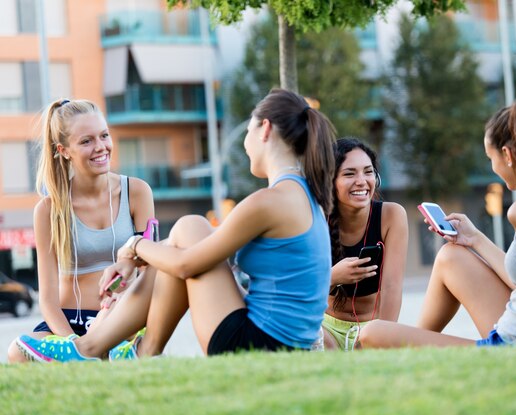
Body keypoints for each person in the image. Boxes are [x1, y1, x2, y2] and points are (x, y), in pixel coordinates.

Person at [16, 88, 336, 362]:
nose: (245, 141)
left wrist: (135, 246)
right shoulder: (301, 194)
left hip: (256, 343)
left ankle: (100, 349)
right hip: (277, 339)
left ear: (264, 129)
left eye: (249, 131)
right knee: (185, 233)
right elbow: (195, 258)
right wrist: (137, 255)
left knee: (187, 228)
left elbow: (185, 264)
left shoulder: (269, 200)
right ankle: (135, 353)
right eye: (87, 140)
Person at [359, 93, 516, 348]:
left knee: (372, 333)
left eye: (491, 158)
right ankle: (415, 349)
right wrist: (475, 239)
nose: (493, 168)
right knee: (451, 257)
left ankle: (410, 348)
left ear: (507, 154)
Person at [7, 99, 154, 363]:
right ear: (64, 150)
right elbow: (48, 301)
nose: (100, 147)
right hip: (68, 324)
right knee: (16, 354)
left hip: (122, 318)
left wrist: (128, 323)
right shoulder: (48, 210)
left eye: (104, 136)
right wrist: (72, 343)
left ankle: (112, 348)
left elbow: (150, 272)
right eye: (86, 141)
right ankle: (86, 352)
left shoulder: (137, 192)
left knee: (125, 344)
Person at [322, 138, 407, 351]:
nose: (361, 181)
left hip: (373, 327)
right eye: (350, 174)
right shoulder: (316, 220)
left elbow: (391, 288)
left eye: (368, 172)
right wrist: (333, 277)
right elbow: (300, 290)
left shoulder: (392, 215)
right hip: (326, 328)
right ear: (330, 181)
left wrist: (382, 338)